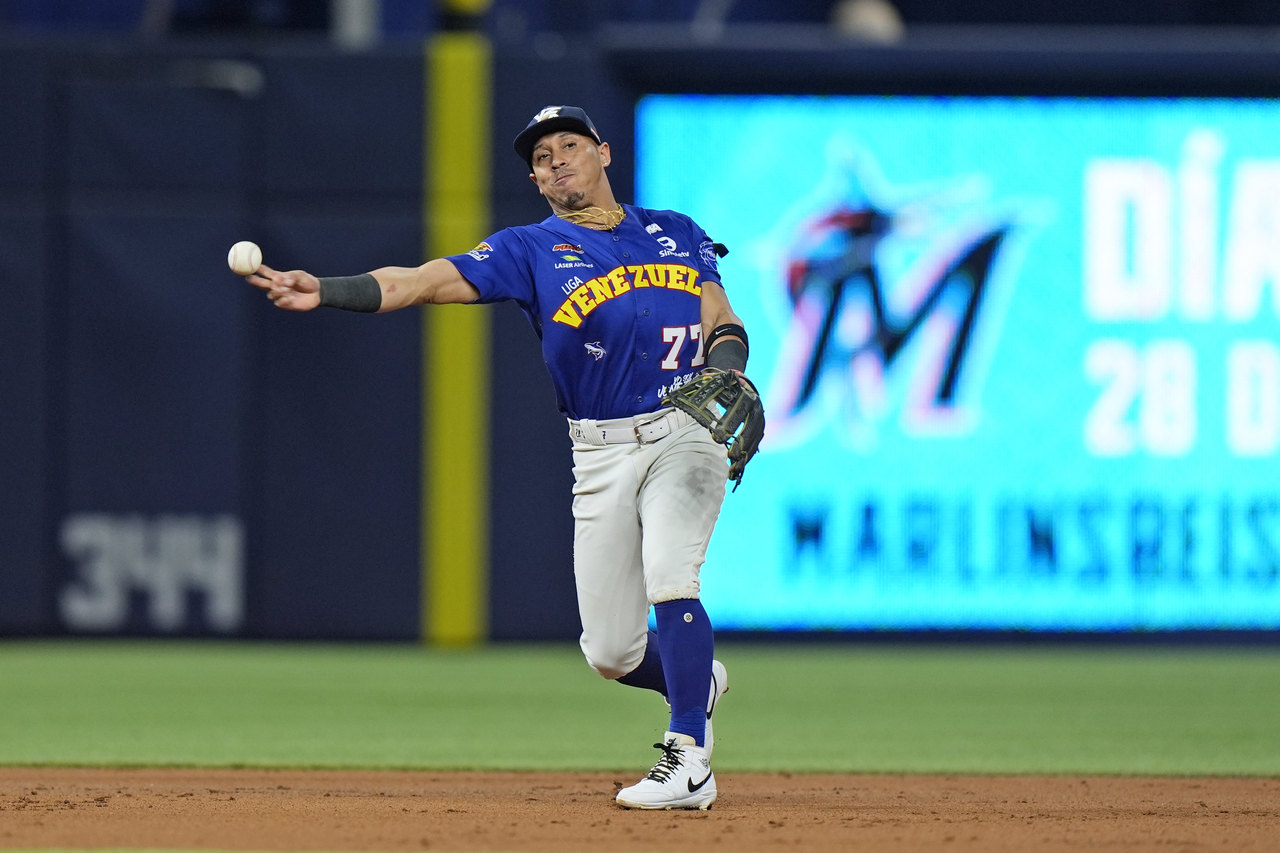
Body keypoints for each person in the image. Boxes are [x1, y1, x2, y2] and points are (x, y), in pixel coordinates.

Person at [242, 105, 754, 811]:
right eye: (541, 158)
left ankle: (689, 756)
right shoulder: (529, 249)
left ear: (603, 153)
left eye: (568, 145)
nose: (555, 162)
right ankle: (697, 681)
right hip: (599, 450)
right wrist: (326, 289)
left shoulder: (676, 231)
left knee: (673, 572)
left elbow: (720, 319)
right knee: (611, 652)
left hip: (685, 426)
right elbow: (420, 280)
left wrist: (731, 371)